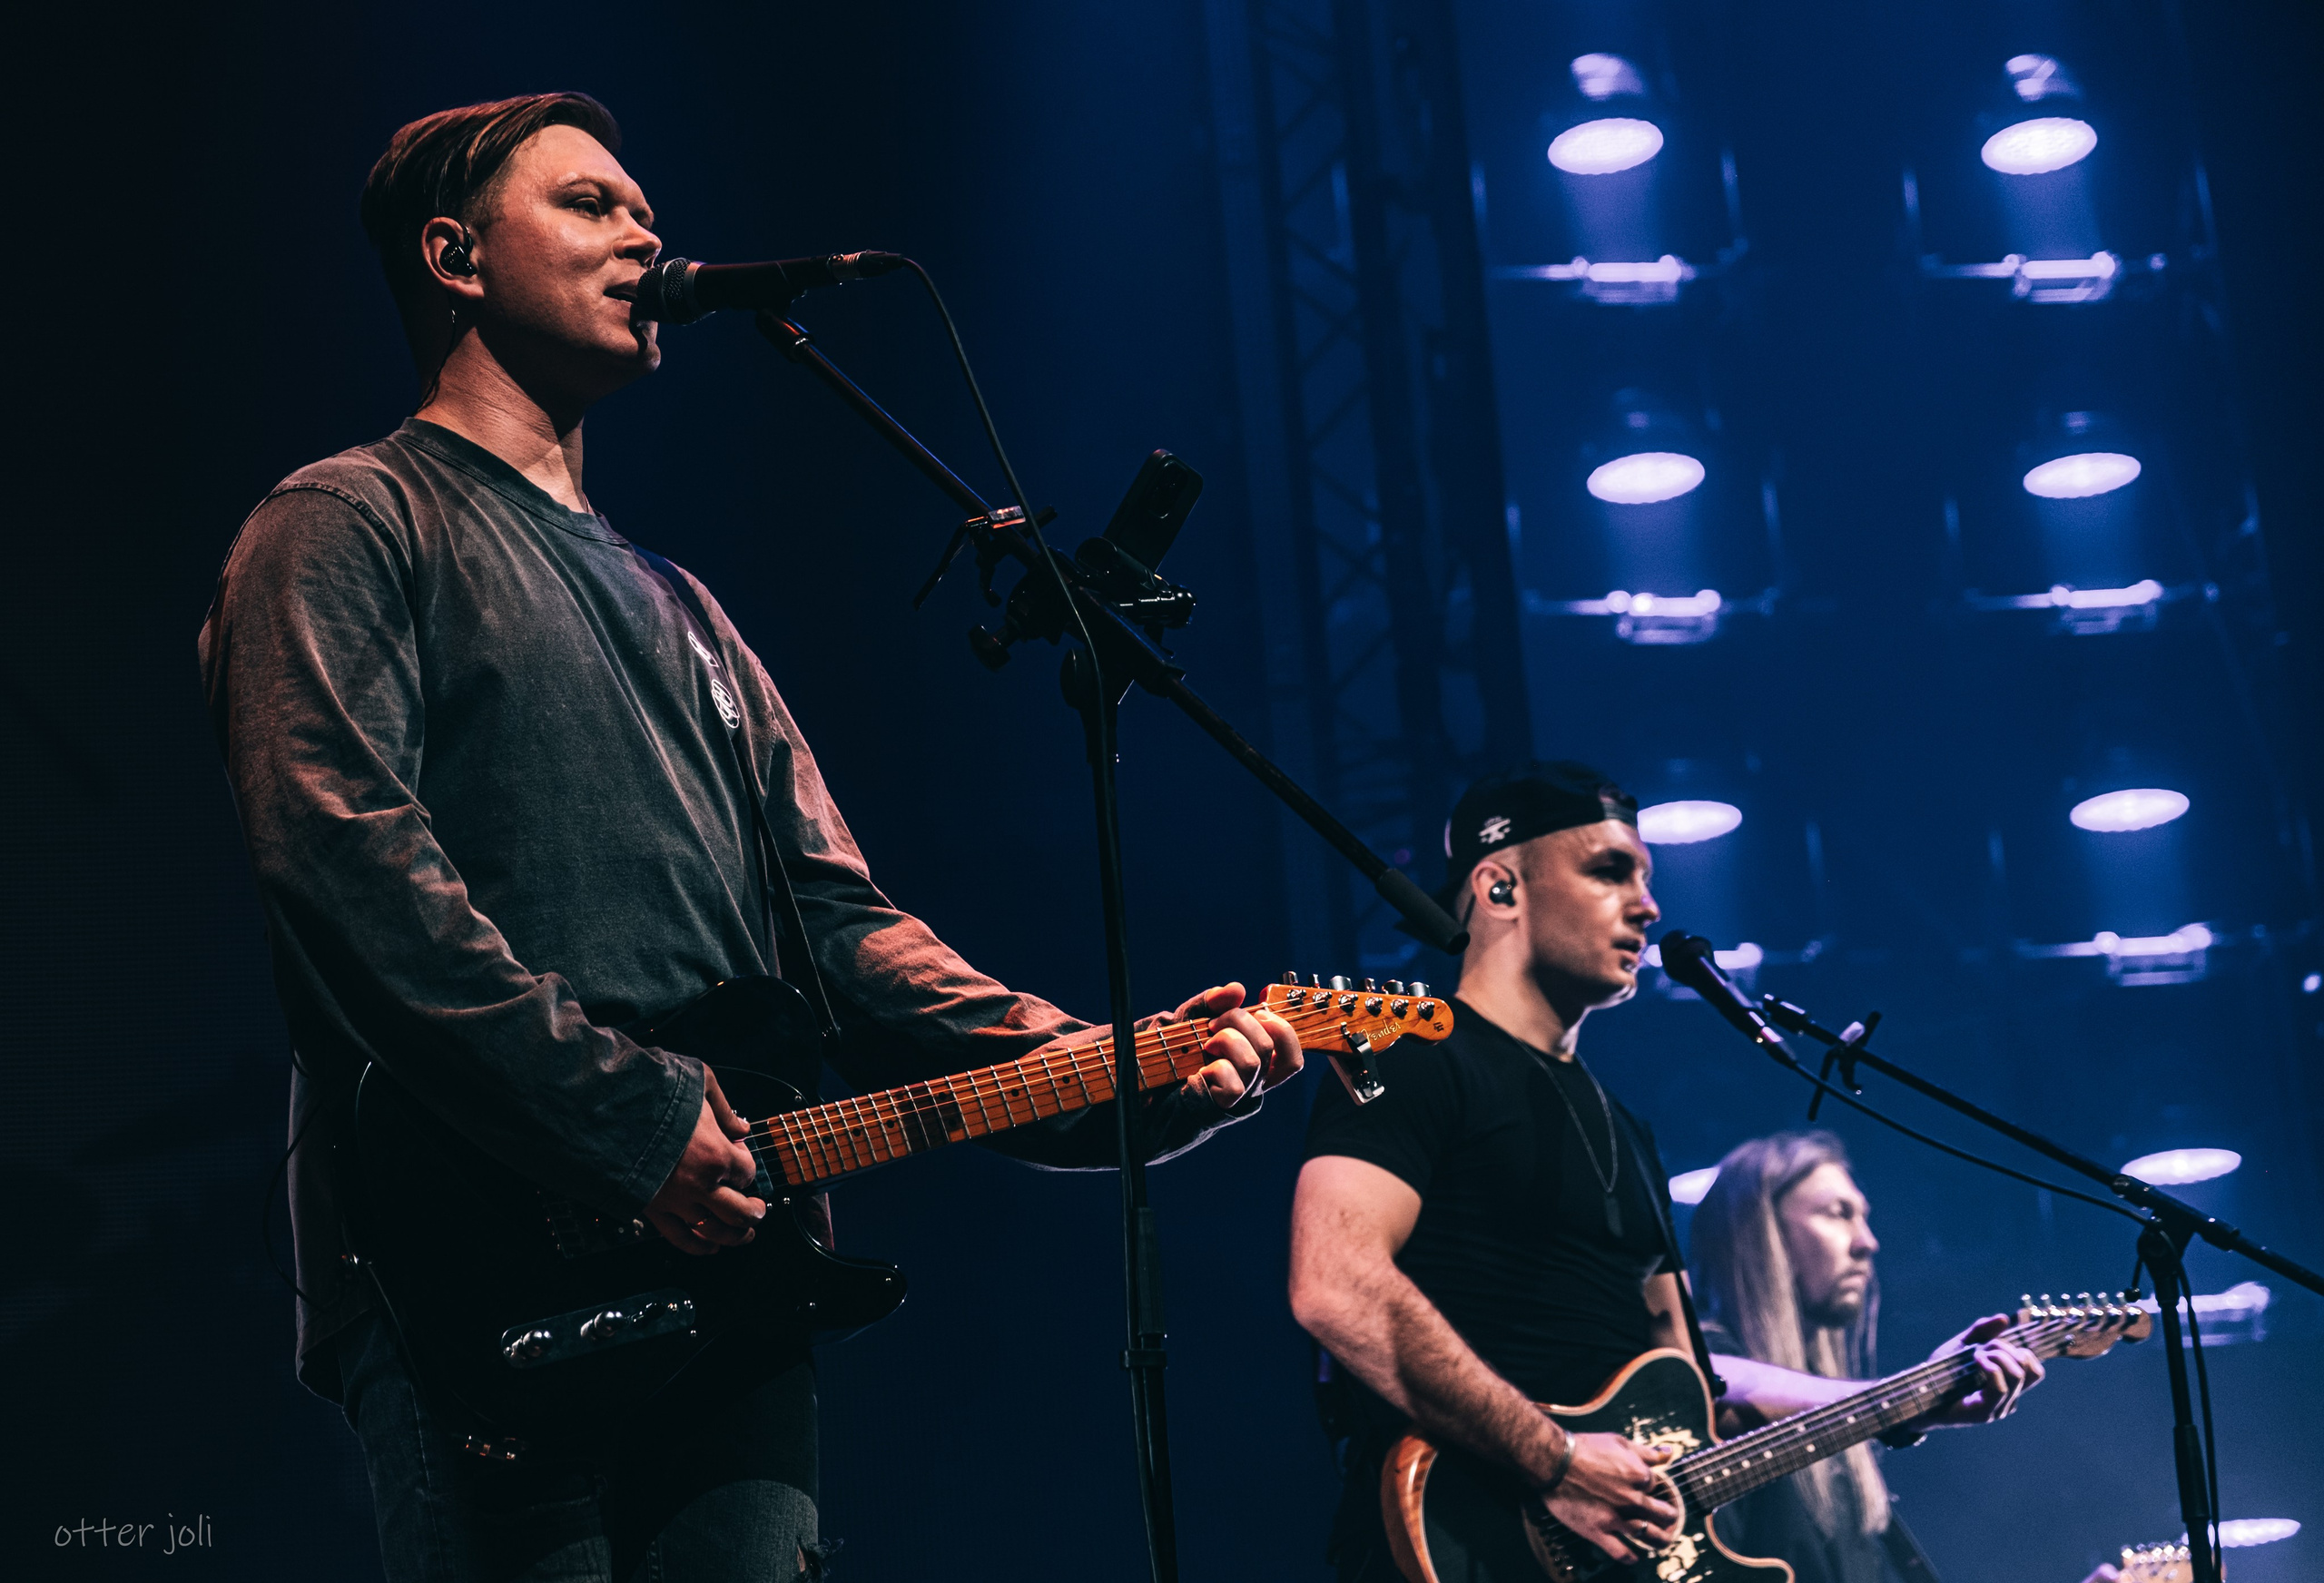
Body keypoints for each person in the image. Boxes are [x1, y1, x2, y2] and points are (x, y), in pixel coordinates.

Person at [199, 92, 1303, 1583]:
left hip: (727, 1283)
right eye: (591, 203)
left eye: (648, 207)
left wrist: (1117, 1070)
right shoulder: (348, 520)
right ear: (455, 255)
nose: (646, 232)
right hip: (476, 1266)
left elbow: (853, 945)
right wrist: (632, 1122)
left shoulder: (687, 610)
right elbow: (346, 867)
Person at [1287, 762, 2043, 1582]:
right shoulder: (1413, 1053)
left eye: (1646, 879)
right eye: (1609, 872)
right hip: (1468, 1545)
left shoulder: (1626, 1128)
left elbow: (1700, 1387)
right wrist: (1556, 1460)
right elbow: (1336, 1283)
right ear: (1501, 888)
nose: (1648, 907)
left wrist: (1912, 1397)